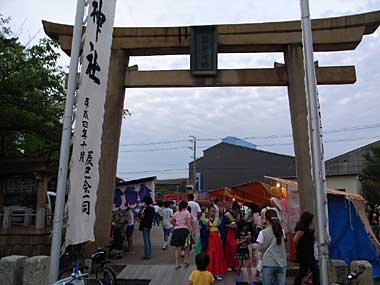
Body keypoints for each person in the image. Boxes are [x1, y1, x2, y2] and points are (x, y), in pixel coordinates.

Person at [197, 205, 227, 281]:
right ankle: (208, 273)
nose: (213, 213)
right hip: (209, 240)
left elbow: (223, 230)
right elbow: (202, 233)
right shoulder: (204, 220)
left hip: (217, 241)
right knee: (209, 256)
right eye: (211, 211)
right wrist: (207, 228)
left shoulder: (218, 220)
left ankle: (217, 272)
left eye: (214, 211)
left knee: (217, 256)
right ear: (208, 211)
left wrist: (222, 238)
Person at [257, 209, 287, 285]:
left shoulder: (262, 233)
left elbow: (259, 249)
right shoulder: (281, 231)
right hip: (281, 263)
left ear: (266, 220)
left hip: (268, 263)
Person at [294, 211, 319, 285]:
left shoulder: (303, 227)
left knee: (304, 269)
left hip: (306, 251)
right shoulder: (302, 228)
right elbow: (296, 239)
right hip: (305, 252)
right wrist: (298, 248)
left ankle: (297, 282)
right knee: (313, 269)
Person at [170, 200, 193, 269]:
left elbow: (171, 221)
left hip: (176, 231)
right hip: (184, 231)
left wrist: (176, 224)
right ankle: (185, 260)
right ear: (186, 206)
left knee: (177, 248)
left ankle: (177, 263)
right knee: (186, 246)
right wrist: (190, 232)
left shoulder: (176, 213)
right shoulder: (187, 213)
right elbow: (189, 224)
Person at [222, 201, 241, 271]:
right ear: (233, 209)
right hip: (228, 234)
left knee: (235, 250)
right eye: (236, 210)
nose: (237, 212)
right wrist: (229, 225)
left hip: (236, 234)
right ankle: (228, 265)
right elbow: (222, 225)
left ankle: (234, 265)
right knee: (228, 250)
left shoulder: (238, 215)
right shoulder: (226, 215)